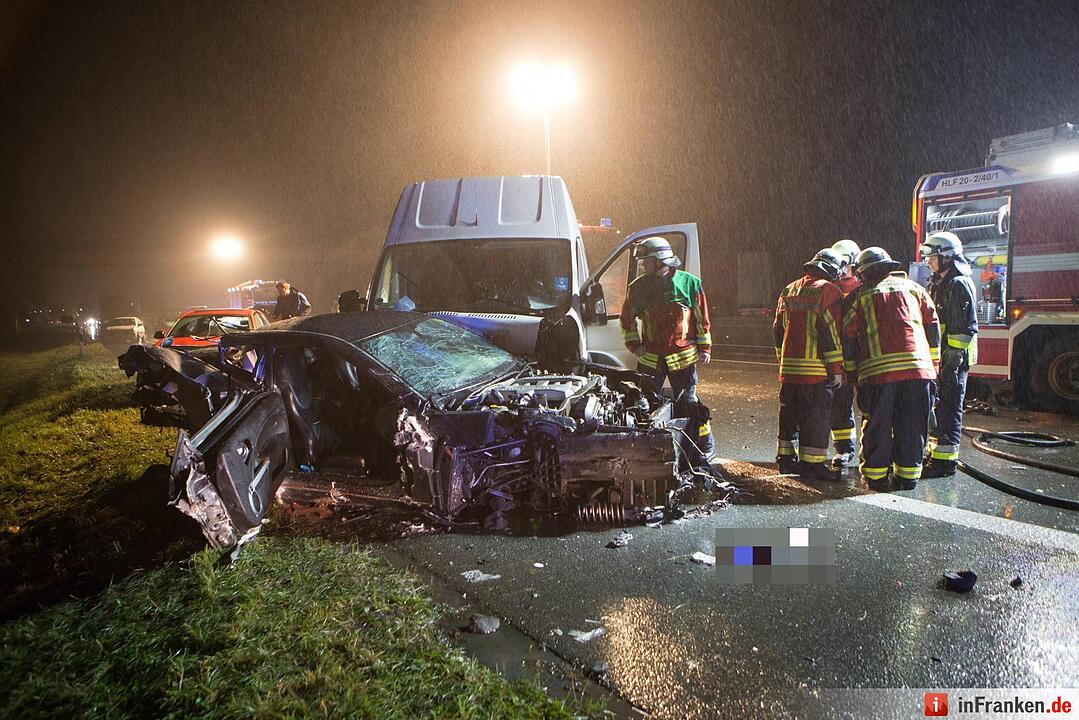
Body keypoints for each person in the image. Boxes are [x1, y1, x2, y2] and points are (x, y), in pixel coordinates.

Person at [842, 247, 940, 491]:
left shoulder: (860, 297)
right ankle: (908, 477)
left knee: (878, 424)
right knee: (913, 425)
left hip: (879, 375)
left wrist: (853, 374)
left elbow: (849, 337)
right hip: (920, 373)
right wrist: (934, 366)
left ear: (863, 273)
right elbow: (933, 327)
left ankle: (875, 477)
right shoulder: (916, 289)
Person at [620, 237, 714, 464]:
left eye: (646, 261)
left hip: (683, 358)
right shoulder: (638, 287)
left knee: (690, 405)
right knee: (646, 405)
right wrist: (635, 346)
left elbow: (702, 319)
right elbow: (626, 320)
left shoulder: (690, 284)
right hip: (651, 359)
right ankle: (650, 452)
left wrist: (705, 347)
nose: (643, 265)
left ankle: (702, 447)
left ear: (660, 260)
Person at [772, 249, 846, 482]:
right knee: (815, 418)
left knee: (789, 415)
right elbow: (830, 333)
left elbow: (778, 329)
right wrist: (836, 369)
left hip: (789, 370)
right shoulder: (828, 290)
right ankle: (812, 466)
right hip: (815, 370)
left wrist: (782, 361)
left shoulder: (789, 289)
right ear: (832, 270)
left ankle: (785, 460)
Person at [920, 231, 978, 478]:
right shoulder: (940, 282)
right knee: (939, 408)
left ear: (946, 256)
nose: (928, 261)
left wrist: (951, 363)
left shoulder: (958, 283)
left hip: (954, 361)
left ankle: (945, 463)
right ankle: (937, 454)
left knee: (950, 408)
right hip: (943, 360)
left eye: (931, 256)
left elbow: (962, 330)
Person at [828, 239, 862, 469]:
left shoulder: (864, 286)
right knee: (840, 403)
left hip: (865, 353)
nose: (841, 269)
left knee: (873, 403)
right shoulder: (830, 287)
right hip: (841, 353)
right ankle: (844, 449)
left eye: (845, 264)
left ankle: (879, 450)